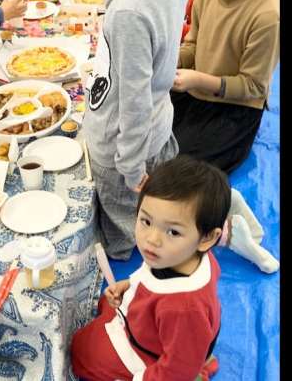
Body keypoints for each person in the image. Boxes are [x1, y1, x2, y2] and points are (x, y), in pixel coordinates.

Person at [84, 0, 191, 260]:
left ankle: (134, 264)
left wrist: (129, 166)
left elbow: (133, 100)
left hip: (122, 145)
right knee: (151, 210)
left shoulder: (132, 12)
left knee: (126, 232)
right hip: (156, 126)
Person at [71, 156, 228, 380]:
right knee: (105, 303)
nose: (151, 240)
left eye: (173, 232)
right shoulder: (184, 254)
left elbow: (176, 371)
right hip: (160, 329)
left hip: (151, 354)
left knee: (81, 352)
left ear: (207, 238)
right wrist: (130, 285)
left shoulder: (183, 309)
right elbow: (151, 275)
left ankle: (200, 369)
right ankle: (200, 357)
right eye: (146, 221)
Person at [171, 0, 279, 174]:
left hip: (235, 109)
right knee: (144, 130)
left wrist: (198, 80)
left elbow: (253, 87)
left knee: (181, 169)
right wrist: (169, 60)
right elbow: (193, 46)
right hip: (197, 90)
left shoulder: (267, 15)